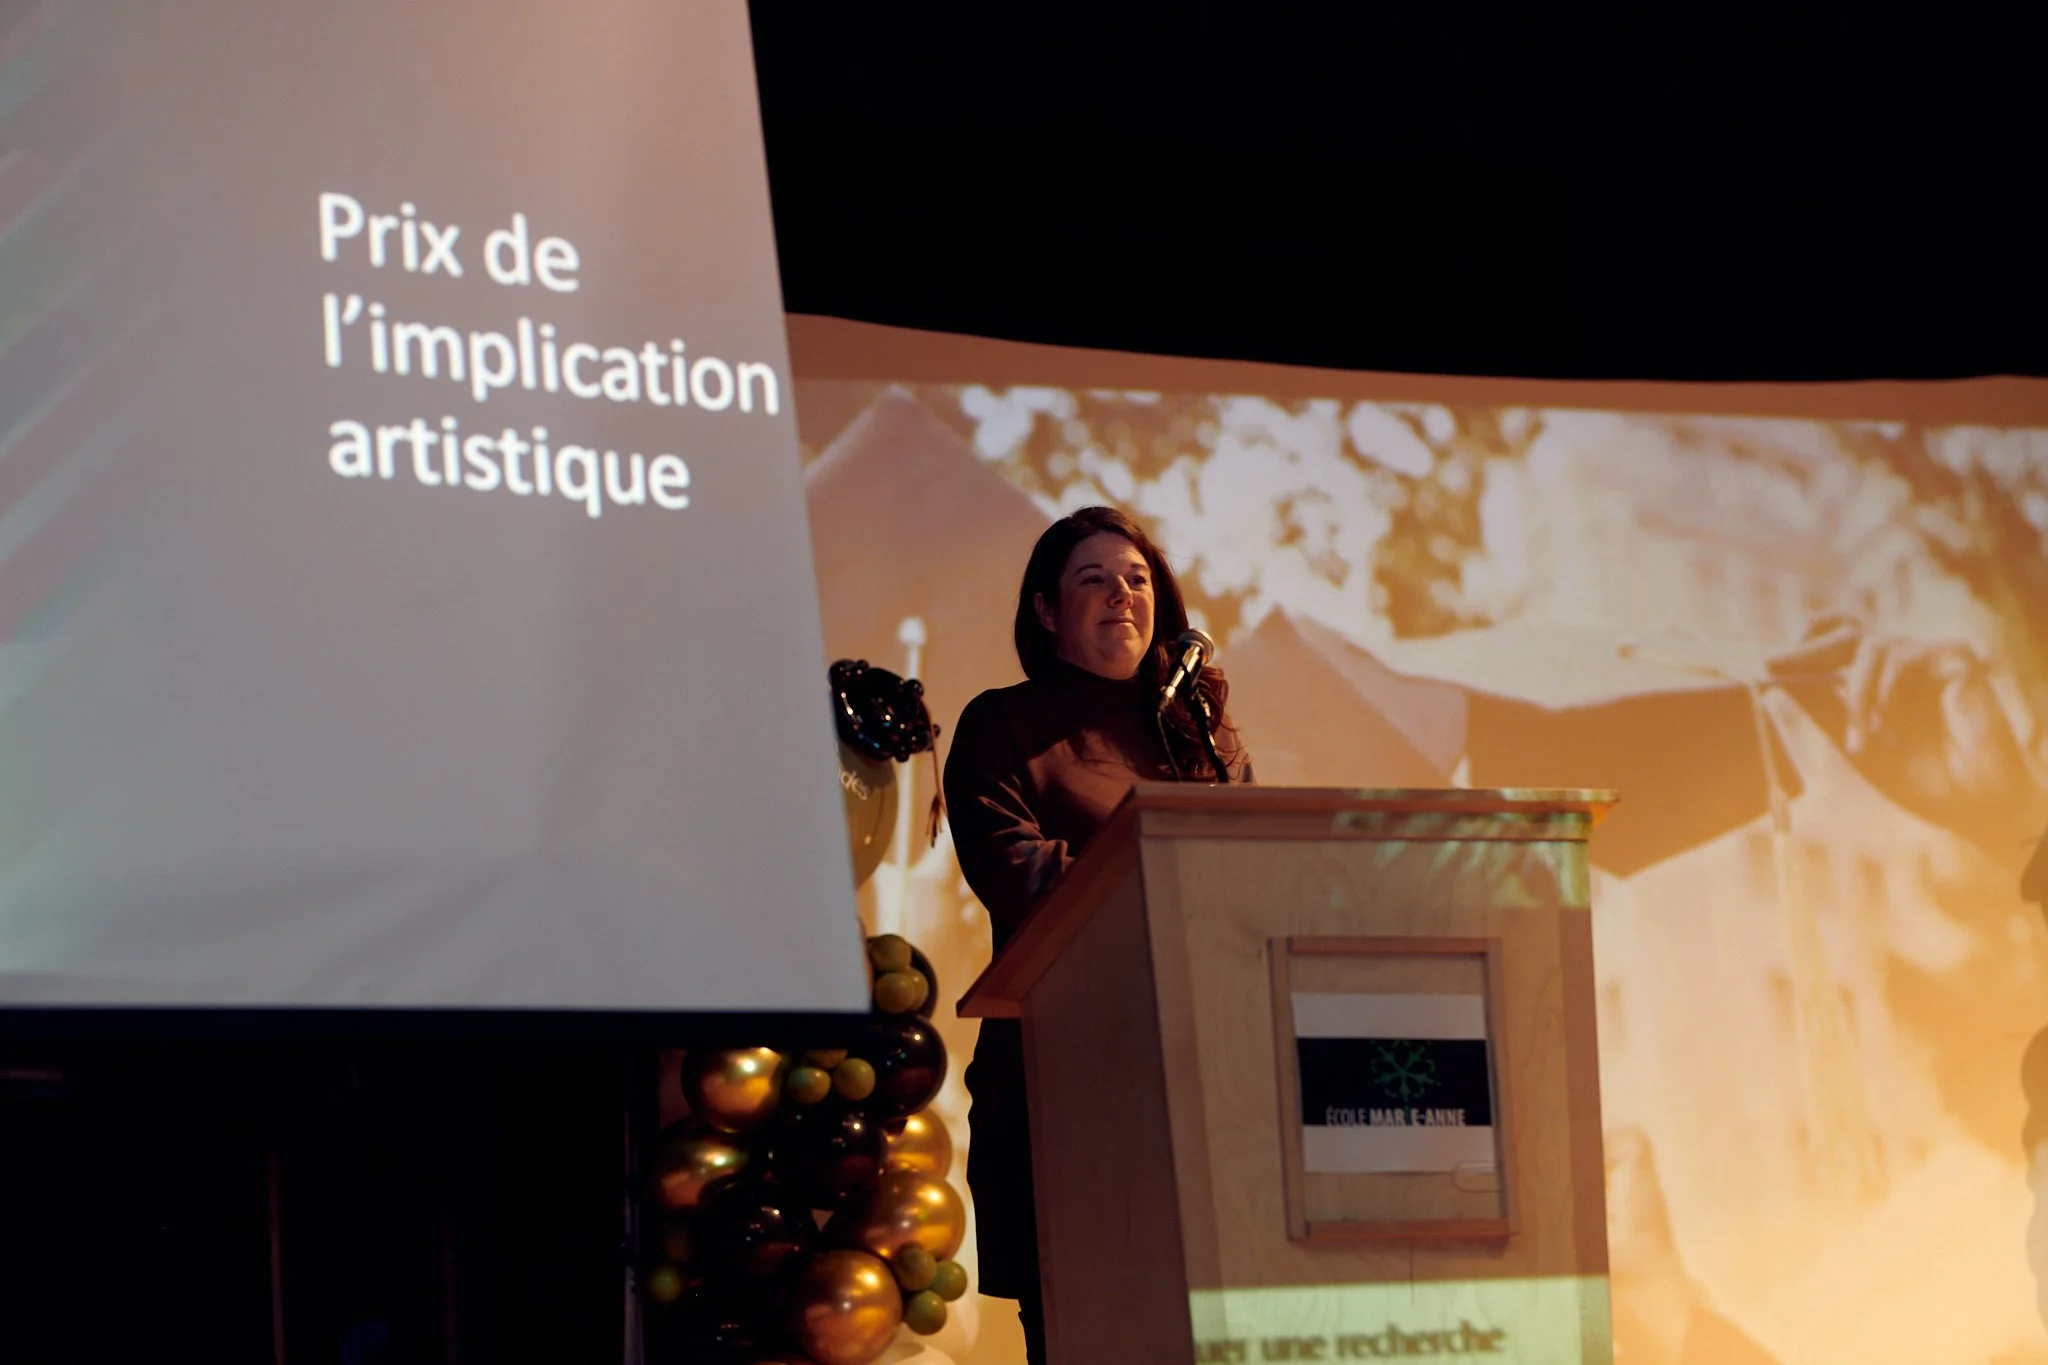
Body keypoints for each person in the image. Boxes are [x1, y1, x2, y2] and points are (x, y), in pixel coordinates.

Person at [942, 506, 1249, 1364]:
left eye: (1138, 579)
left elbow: (1253, 878)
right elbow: (1021, 876)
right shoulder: (1002, 726)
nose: (1123, 593)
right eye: (1095, 579)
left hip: (1201, 1088)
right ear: (1046, 611)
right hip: (1066, 1087)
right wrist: (1164, 873)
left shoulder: (1201, 738)